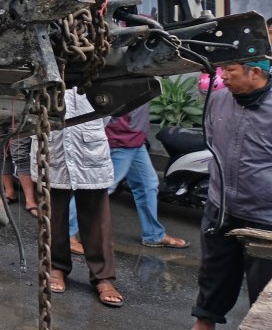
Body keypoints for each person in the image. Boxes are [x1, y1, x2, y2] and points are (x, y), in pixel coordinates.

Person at [190, 59, 272, 330]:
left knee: (264, 293)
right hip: (221, 207)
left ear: (256, 73)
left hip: (265, 218)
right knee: (213, 278)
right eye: (222, 69)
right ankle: (203, 325)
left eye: (230, 71)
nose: (222, 76)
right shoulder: (219, 99)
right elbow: (213, 141)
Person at [34, 87, 124, 307]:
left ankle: (103, 277)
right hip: (53, 148)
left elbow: (106, 110)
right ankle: (56, 267)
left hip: (90, 149)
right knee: (53, 217)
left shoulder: (95, 65)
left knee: (97, 221)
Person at [68, 102, 188, 252]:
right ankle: (66, 233)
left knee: (147, 185)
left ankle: (153, 234)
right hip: (121, 139)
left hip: (134, 139)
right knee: (100, 187)